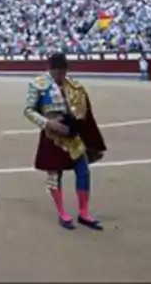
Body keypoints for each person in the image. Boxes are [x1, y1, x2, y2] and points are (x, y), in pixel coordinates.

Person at [22, 52, 107, 231]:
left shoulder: (73, 85)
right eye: (57, 72)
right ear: (51, 69)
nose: (61, 76)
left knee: (83, 172)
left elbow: (83, 112)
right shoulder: (37, 85)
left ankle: (83, 213)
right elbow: (28, 110)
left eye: (63, 72)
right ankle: (62, 213)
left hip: (72, 136)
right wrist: (47, 123)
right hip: (52, 137)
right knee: (55, 176)